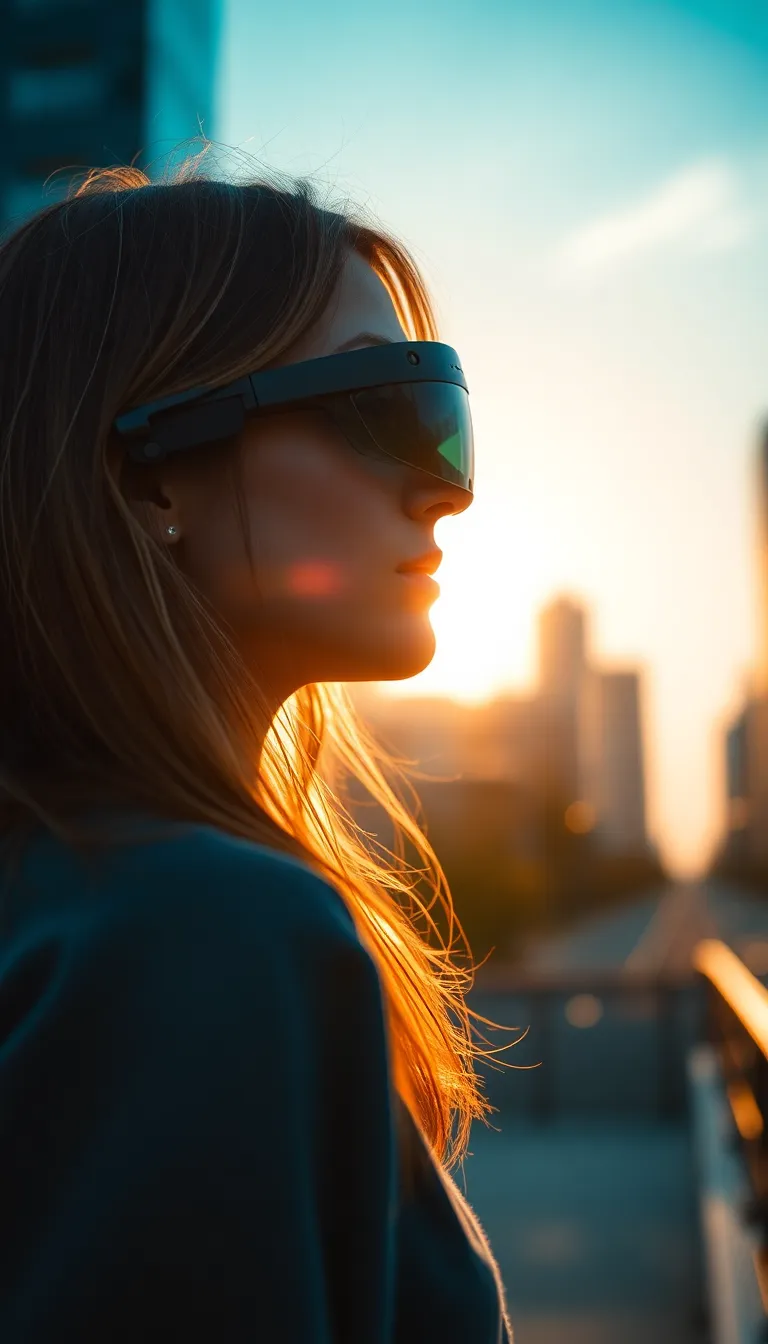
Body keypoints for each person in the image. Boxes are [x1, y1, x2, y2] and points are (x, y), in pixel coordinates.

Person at [0, 141, 515, 1342]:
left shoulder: (78, 899)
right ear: (147, 477)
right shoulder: (201, 931)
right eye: (384, 408)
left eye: (443, 409)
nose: (448, 487)